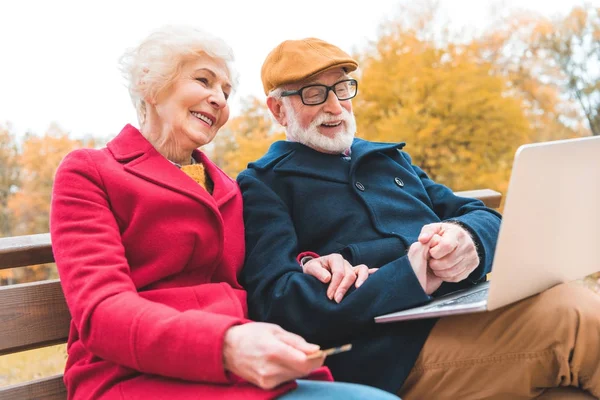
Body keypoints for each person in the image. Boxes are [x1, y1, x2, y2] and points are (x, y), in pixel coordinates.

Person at [237, 37, 600, 399]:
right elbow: (276, 302)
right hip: (389, 356)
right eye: (313, 94)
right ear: (278, 110)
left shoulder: (389, 160)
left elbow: (479, 214)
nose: (335, 106)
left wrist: (467, 239)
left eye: (342, 88)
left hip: (466, 312)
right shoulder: (264, 183)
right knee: (574, 316)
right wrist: (406, 278)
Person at [49, 27, 399, 400]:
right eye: (203, 80)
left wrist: (309, 263)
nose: (218, 99)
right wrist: (226, 344)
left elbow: (254, 268)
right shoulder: (91, 172)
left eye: (226, 92)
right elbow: (101, 311)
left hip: (234, 375)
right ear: (150, 86)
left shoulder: (228, 189)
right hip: (132, 378)